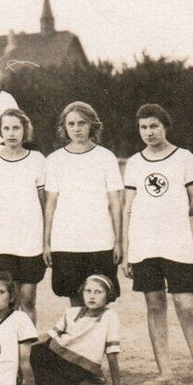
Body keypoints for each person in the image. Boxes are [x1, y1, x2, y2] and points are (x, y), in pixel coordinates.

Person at [120, 104, 193, 385]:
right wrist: (129, 251)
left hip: (176, 244)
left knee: (186, 308)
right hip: (143, 246)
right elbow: (129, 208)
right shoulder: (135, 163)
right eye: (143, 127)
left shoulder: (184, 158)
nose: (148, 132)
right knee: (154, 305)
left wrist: (169, 216)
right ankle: (165, 373)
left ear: (165, 126)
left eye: (154, 126)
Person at [42, 101, 123, 305]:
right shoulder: (54, 159)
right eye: (71, 124)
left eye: (82, 123)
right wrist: (47, 242)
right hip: (66, 242)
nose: (76, 129)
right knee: (75, 302)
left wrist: (118, 241)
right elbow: (51, 203)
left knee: (99, 301)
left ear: (92, 125)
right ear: (64, 127)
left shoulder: (106, 157)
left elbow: (115, 202)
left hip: (100, 241)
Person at [0, 108, 48, 319]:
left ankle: (24, 348)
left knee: (27, 298)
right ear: (0, 132)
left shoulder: (37, 159)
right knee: (1, 300)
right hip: (1, 242)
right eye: (6, 128)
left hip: (30, 241)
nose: (11, 133)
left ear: (24, 130)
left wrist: (47, 239)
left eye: (16, 128)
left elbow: (44, 201)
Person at [28, 274, 137, 385]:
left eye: (98, 292)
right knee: (22, 359)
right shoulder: (71, 312)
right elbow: (48, 336)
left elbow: (112, 353)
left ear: (108, 295)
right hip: (50, 352)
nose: (92, 296)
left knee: (45, 383)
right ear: (82, 293)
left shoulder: (110, 317)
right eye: (88, 291)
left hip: (75, 368)